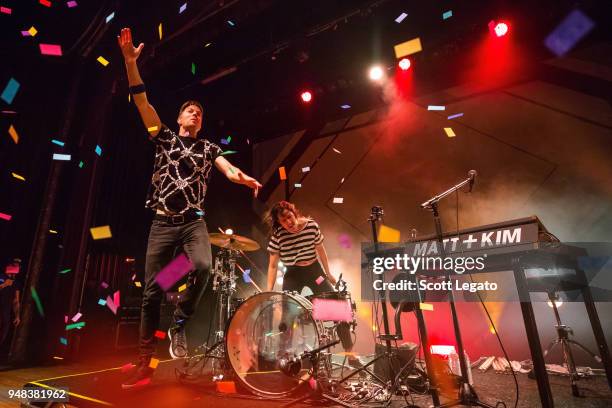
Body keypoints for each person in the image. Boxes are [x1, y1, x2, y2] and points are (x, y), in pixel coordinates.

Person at [117, 27, 262, 389]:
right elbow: (141, 101)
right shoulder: (163, 137)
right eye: (190, 110)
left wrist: (244, 179)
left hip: (193, 223)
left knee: (202, 265)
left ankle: (179, 320)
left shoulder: (208, 148)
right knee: (151, 292)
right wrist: (130, 63)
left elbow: (229, 170)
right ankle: (143, 362)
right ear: (180, 118)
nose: (195, 114)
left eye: (199, 112)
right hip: (162, 224)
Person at [265, 201, 359, 365]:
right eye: (283, 221)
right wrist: (268, 291)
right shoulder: (278, 236)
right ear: (279, 223)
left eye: (289, 217)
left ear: (294, 213)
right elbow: (272, 265)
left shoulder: (311, 226)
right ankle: (284, 357)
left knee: (338, 306)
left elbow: (321, 250)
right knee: (288, 315)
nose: (288, 223)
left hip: (314, 271)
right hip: (293, 274)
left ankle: (350, 354)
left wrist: (328, 273)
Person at [0, 259, 21, 350]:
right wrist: (4, 284)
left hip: (6, 313)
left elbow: (16, 301)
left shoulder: (16, 283)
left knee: (3, 334)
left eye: (18, 266)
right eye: (15, 266)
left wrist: (17, 316)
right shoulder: (1, 277)